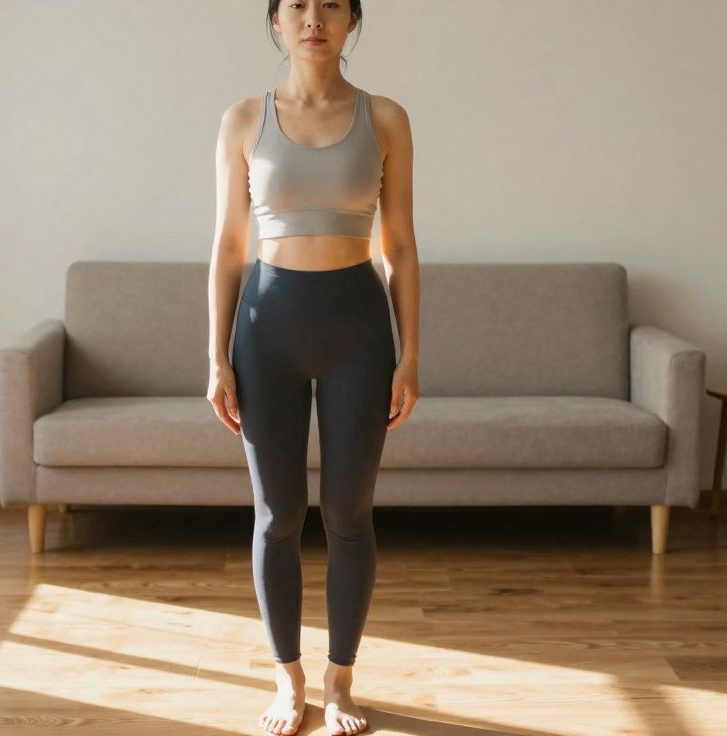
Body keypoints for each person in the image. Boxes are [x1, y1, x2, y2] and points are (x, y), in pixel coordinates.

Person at [206, 2, 420, 734]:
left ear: (352, 20)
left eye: (330, 3)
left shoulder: (386, 118)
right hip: (266, 332)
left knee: (348, 514)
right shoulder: (242, 119)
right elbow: (228, 248)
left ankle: (341, 681)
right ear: (275, 21)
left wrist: (411, 353)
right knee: (278, 518)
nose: (313, 18)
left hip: (360, 329)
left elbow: (403, 246)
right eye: (296, 4)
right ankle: (286, 681)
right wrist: (215, 356)